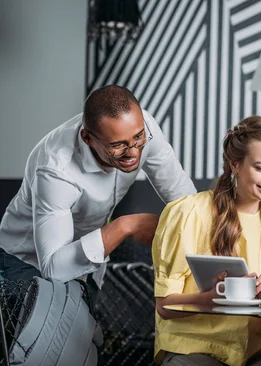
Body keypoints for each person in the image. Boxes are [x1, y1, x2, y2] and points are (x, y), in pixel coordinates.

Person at [153, 116, 261, 366]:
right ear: (235, 164)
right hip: (188, 350)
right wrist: (207, 299)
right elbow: (164, 307)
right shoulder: (189, 213)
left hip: (251, 352)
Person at [0, 85, 195, 287]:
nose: (134, 152)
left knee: (85, 320)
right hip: (25, 261)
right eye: (118, 145)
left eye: (138, 138)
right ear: (88, 138)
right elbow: (54, 269)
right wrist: (126, 226)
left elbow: (185, 199)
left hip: (87, 259)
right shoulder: (56, 170)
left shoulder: (141, 128)